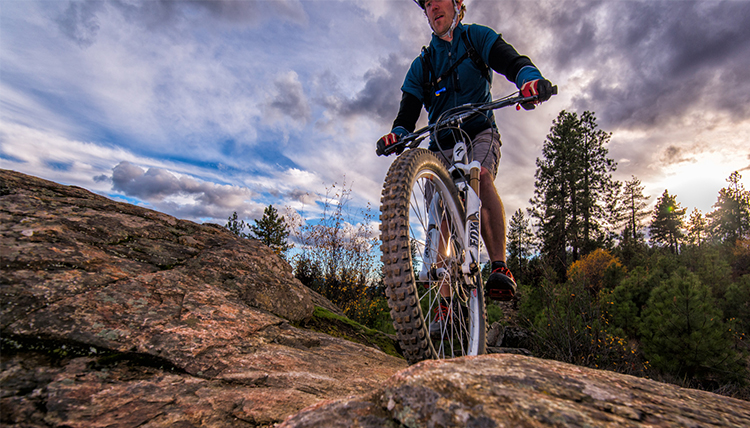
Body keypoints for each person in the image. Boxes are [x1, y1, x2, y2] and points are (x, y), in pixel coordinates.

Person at [376, 0, 553, 306]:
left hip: (479, 131)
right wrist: (399, 135)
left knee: (479, 176)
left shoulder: (476, 38)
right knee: (443, 212)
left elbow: (513, 63)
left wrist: (529, 81)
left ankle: (499, 266)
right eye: (427, 4)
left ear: (458, 4)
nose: (433, 7)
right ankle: (445, 304)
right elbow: (406, 116)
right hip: (441, 144)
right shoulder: (423, 64)